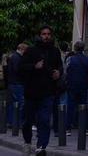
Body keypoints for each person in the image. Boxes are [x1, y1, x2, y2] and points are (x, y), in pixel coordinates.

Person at [19, 26, 63, 156]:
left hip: (48, 92)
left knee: (44, 120)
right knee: (28, 121)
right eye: (44, 34)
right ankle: (27, 142)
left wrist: (58, 72)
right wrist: (34, 66)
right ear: (39, 35)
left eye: (48, 34)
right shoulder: (31, 51)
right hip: (31, 92)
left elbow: (59, 66)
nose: (46, 36)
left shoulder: (55, 51)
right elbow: (21, 68)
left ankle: (41, 146)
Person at [64, 42, 88, 136]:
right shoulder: (87, 59)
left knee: (70, 106)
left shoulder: (70, 59)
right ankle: (85, 128)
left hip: (72, 85)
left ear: (75, 48)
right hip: (83, 85)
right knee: (83, 106)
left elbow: (66, 71)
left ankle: (68, 128)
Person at [4, 42, 27, 127]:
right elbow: (18, 70)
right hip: (17, 83)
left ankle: (10, 121)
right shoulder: (17, 57)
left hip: (12, 83)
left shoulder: (13, 57)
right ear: (21, 49)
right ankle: (18, 122)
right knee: (20, 103)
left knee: (12, 103)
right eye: (25, 51)